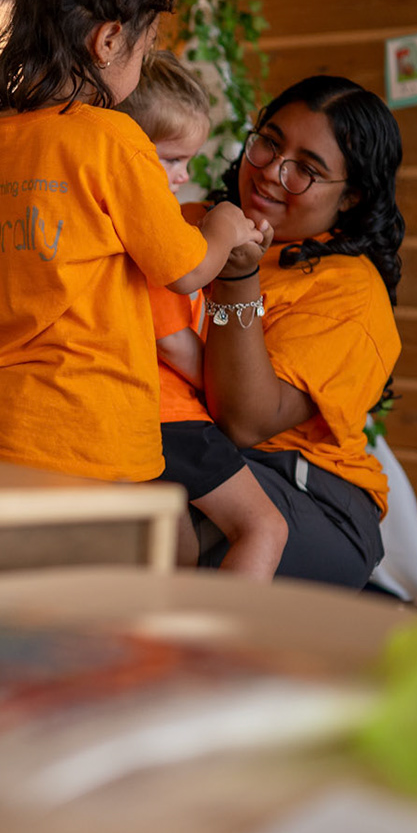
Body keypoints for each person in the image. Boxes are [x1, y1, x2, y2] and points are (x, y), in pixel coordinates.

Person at [0, 0, 268, 483]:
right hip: (88, 436)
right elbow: (188, 268)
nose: (141, 64)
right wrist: (221, 225)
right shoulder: (112, 139)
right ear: (110, 39)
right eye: (145, 50)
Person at [193, 75, 405, 588]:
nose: (269, 173)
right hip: (207, 460)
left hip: (313, 498)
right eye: (267, 142)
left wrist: (237, 279)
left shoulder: (350, 292)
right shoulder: (200, 224)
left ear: (351, 196)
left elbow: (245, 421)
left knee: (142, 520)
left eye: (306, 170)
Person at [114, 52, 287, 580]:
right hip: (168, 413)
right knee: (265, 527)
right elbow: (172, 342)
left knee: (178, 549)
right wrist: (222, 386)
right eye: (170, 161)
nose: (184, 176)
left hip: (142, 412)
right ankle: (217, 652)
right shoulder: (159, 226)